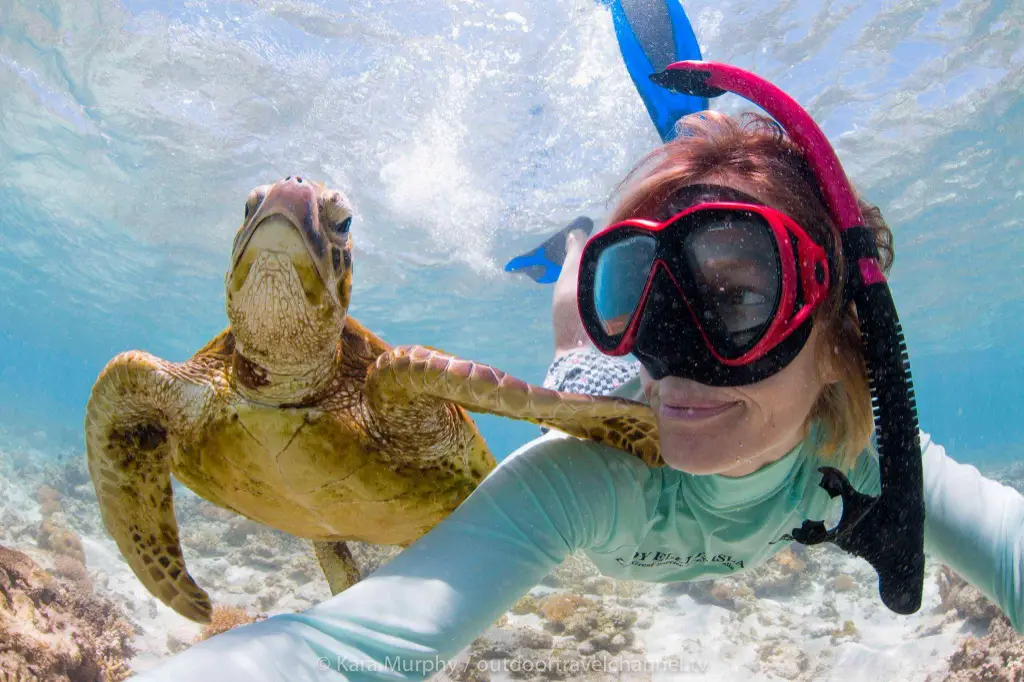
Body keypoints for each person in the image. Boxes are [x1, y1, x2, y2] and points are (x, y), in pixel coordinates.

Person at [132, 63, 1024, 682]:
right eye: (641, 292)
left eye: (737, 298)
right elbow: (347, 646)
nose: (673, 357)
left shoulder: (871, 456)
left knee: (586, 329)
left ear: (839, 339)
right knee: (578, 331)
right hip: (597, 399)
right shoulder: (581, 480)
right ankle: (576, 255)